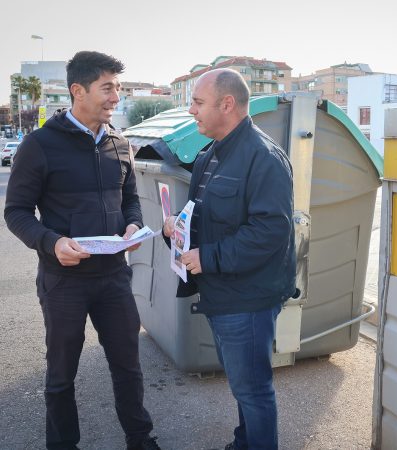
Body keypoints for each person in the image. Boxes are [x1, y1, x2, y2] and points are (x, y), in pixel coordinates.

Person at [4, 51, 160, 450]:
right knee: (61, 374)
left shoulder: (119, 143)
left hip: (114, 279)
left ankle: (140, 440)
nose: (116, 97)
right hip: (63, 281)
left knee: (128, 366)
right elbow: (17, 211)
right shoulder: (39, 145)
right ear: (79, 91)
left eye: (118, 89)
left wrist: (131, 223)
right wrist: (51, 242)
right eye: (108, 88)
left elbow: (130, 200)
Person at [163, 68, 297, 450]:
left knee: (253, 391)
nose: (191, 111)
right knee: (243, 386)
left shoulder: (263, 157)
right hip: (222, 294)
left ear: (227, 104)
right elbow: (201, 214)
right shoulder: (210, 154)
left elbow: (271, 232)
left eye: (198, 102)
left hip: (248, 300)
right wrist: (174, 226)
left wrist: (208, 257)